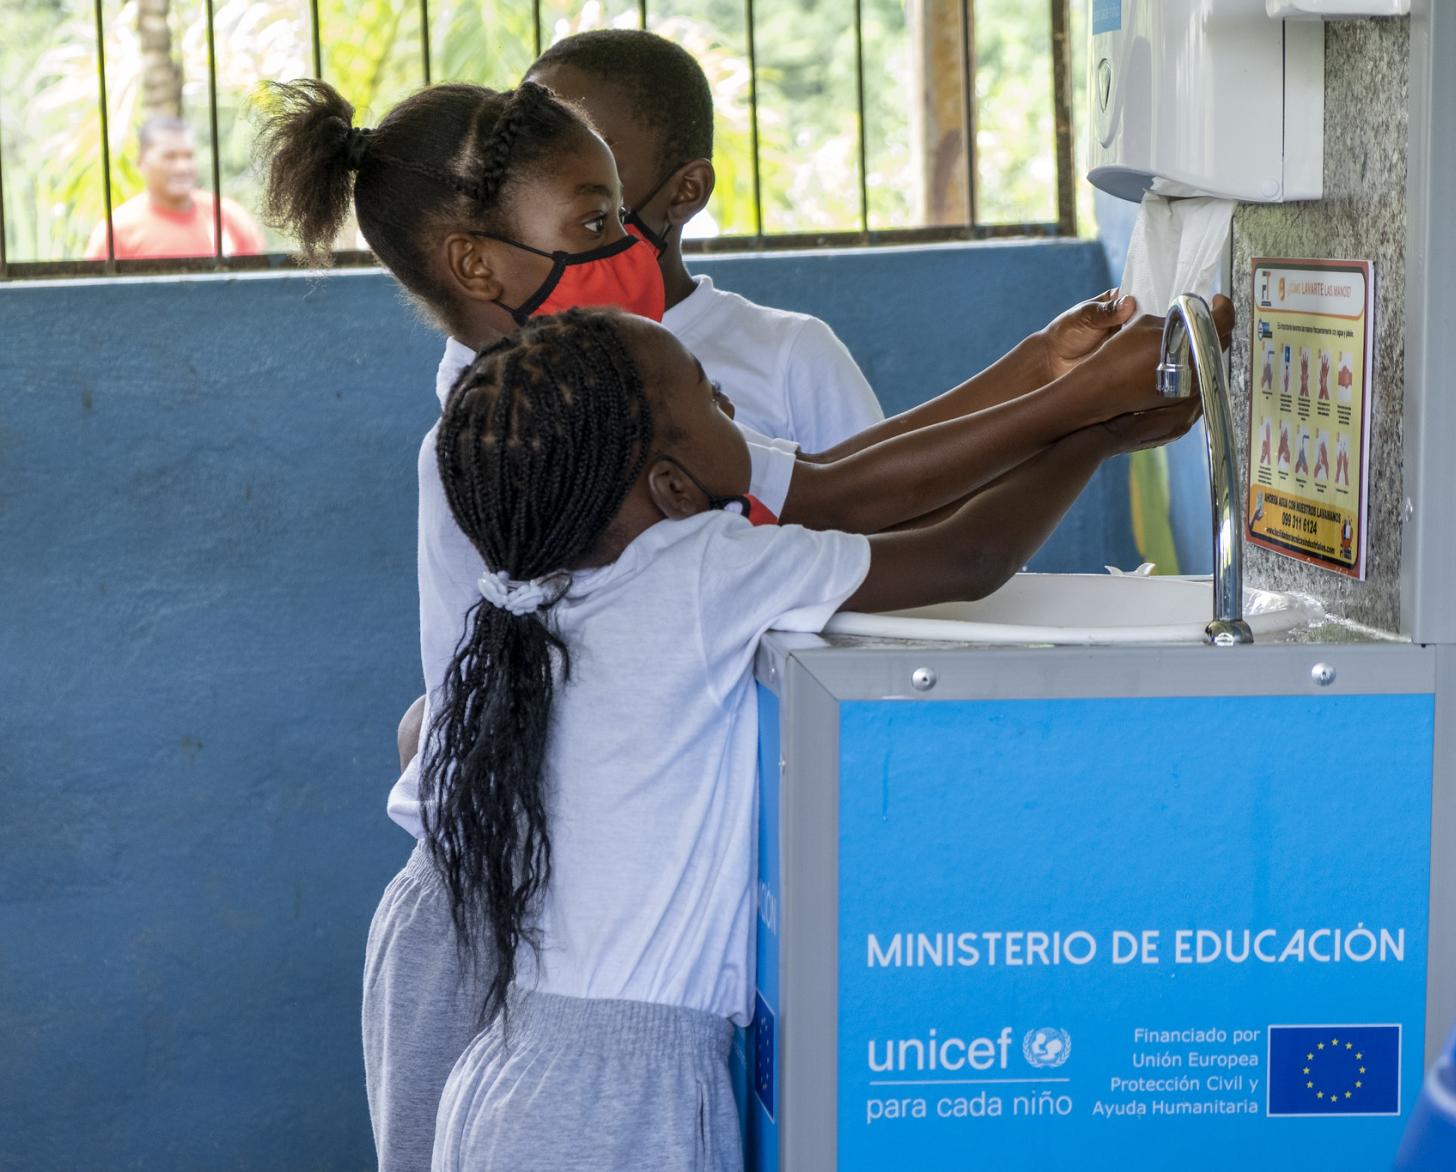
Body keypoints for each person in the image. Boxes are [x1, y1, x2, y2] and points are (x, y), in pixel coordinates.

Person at [255, 76, 1219, 1171]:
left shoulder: (578, 437)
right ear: (476, 263)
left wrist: (1046, 375)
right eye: (595, 223)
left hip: (533, 1013)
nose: (628, 244)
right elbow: (928, 537)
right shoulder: (603, 468)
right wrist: (1086, 419)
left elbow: (827, 480)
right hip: (512, 958)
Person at [424, 308, 1198, 1170]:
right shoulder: (696, 568)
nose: (732, 411)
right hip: (618, 1106)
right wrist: (1092, 427)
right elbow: (968, 557)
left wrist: (1075, 400)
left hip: (511, 1073)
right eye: (712, 400)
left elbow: (861, 495)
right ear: (673, 490)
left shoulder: (537, 605)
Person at [525, 28, 882, 452]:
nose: (550, 196)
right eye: (528, 166)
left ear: (685, 192)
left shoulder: (790, 355)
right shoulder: (502, 357)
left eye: (597, 171)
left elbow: (870, 491)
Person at [84, 115, 264, 260]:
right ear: (141, 162)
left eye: (189, 156)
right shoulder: (117, 231)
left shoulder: (229, 216)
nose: (182, 167)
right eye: (170, 157)